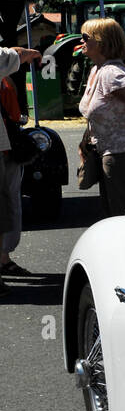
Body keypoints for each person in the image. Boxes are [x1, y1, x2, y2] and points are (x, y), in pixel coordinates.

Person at [78, 18, 125, 218]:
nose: (81, 41)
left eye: (85, 37)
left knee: (122, 215)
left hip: (122, 155)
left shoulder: (111, 73)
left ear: (102, 42)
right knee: (112, 212)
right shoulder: (96, 70)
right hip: (106, 152)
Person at [0, 45, 41, 297]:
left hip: (6, 148)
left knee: (9, 204)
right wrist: (34, 52)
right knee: (6, 205)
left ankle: (4, 258)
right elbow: (17, 53)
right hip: (4, 149)